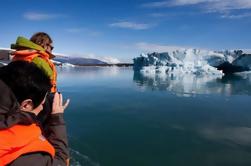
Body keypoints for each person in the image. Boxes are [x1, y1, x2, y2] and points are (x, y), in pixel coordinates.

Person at [0, 61, 69, 166]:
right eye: (41, 103)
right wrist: (56, 119)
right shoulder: (28, 159)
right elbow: (61, 163)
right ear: (26, 104)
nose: (42, 107)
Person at [11, 32, 58, 126]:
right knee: (45, 125)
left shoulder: (21, 56)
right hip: (41, 98)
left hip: (22, 98)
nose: (52, 49)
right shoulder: (39, 60)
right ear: (43, 44)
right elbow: (48, 79)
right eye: (51, 47)